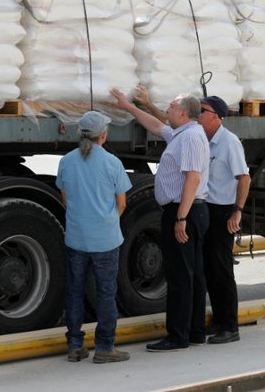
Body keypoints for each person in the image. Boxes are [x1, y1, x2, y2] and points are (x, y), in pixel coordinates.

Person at [135, 87, 250, 344]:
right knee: (200, 271)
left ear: (216, 116)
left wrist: (237, 212)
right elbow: (165, 123)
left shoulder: (226, 141)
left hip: (220, 211)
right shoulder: (197, 135)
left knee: (217, 270)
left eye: (204, 110)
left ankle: (227, 326)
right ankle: (200, 327)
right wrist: (142, 105)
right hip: (203, 208)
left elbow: (243, 177)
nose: (199, 114)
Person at [111, 87, 210, 352]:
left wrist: (181, 218)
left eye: (171, 107)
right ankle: (195, 332)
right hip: (190, 211)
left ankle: (178, 336)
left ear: (184, 112)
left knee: (179, 276)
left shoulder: (190, 138)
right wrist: (130, 107)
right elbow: (156, 126)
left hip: (184, 211)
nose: (166, 110)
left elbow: (193, 178)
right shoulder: (183, 134)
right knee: (192, 274)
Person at [56, 111, 132, 364]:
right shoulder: (113, 163)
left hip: (77, 237)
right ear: (104, 135)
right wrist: (107, 220)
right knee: (105, 293)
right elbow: (122, 203)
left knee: (74, 292)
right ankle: (104, 347)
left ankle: (75, 346)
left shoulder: (66, 161)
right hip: (106, 239)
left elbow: (65, 199)